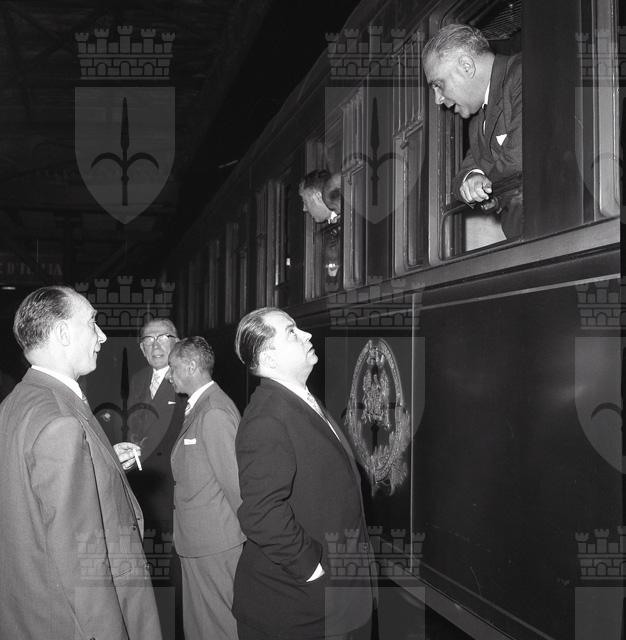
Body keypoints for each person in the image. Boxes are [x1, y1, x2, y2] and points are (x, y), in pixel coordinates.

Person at [0, 285, 162, 640]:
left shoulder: (16, 403)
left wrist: (103, 463)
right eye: (92, 323)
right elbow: (80, 559)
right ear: (62, 333)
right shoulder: (61, 421)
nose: (102, 336)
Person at [233, 307, 374, 640]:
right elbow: (261, 513)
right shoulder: (266, 418)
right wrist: (312, 570)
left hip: (338, 599)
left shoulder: (299, 401)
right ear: (269, 359)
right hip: (301, 610)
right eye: (292, 332)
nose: (307, 335)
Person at [168, 336, 244, 640]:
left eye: (173, 368)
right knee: (201, 626)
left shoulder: (213, 411)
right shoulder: (202, 406)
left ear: (190, 366)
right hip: (201, 541)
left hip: (215, 543)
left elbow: (236, 485)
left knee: (217, 627)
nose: (170, 375)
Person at [423, 23, 523, 238]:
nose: (438, 99)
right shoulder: (478, 118)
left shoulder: (523, 74)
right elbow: (461, 178)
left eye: (438, 85)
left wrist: (485, 184)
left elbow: (521, 157)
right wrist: (473, 177)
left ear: (466, 66)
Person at [127, 317, 186, 637]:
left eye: (164, 337)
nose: (156, 345)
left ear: (177, 342)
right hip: (141, 493)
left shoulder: (187, 380)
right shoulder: (137, 380)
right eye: (148, 340)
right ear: (141, 348)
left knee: (173, 577)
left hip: (173, 497)